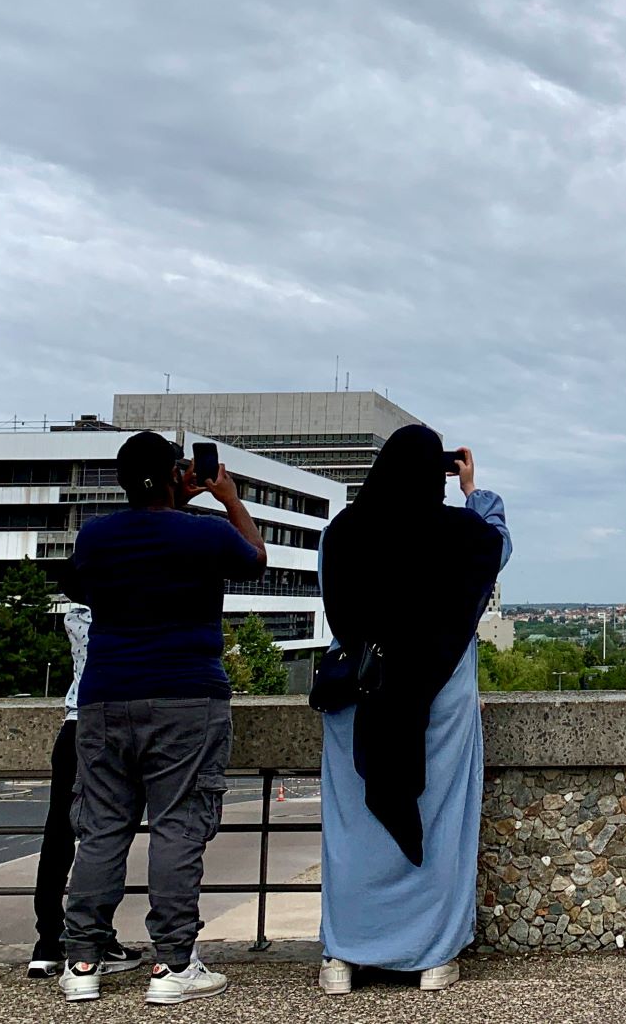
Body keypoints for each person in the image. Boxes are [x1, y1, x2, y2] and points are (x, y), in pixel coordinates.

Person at [59, 431, 267, 1006]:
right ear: (179, 476)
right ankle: (173, 964)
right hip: (186, 696)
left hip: (105, 697)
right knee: (177, 825)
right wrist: (226, 498)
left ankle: (82, 961)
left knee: (101, 828)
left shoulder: (96, 535)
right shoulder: (205, 533)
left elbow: (80, 582)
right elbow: (255, 559)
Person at [315, 427, 511, 996]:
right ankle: (431, 954)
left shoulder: (343, 534)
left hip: (361, 695)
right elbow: (496, 545)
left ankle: (342, 956)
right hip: (438, 697)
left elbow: (336, 596)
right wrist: (474, 491)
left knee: (353, 828)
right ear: (439, 473)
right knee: (441, 816)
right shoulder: (461, 535)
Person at [28, 599, 145, 980]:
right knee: (109, 835)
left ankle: (47, 939)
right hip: (117, 720)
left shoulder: (77, 611)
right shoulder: (130, 603)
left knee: (58, 834)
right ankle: (96, 937)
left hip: (75, 722)